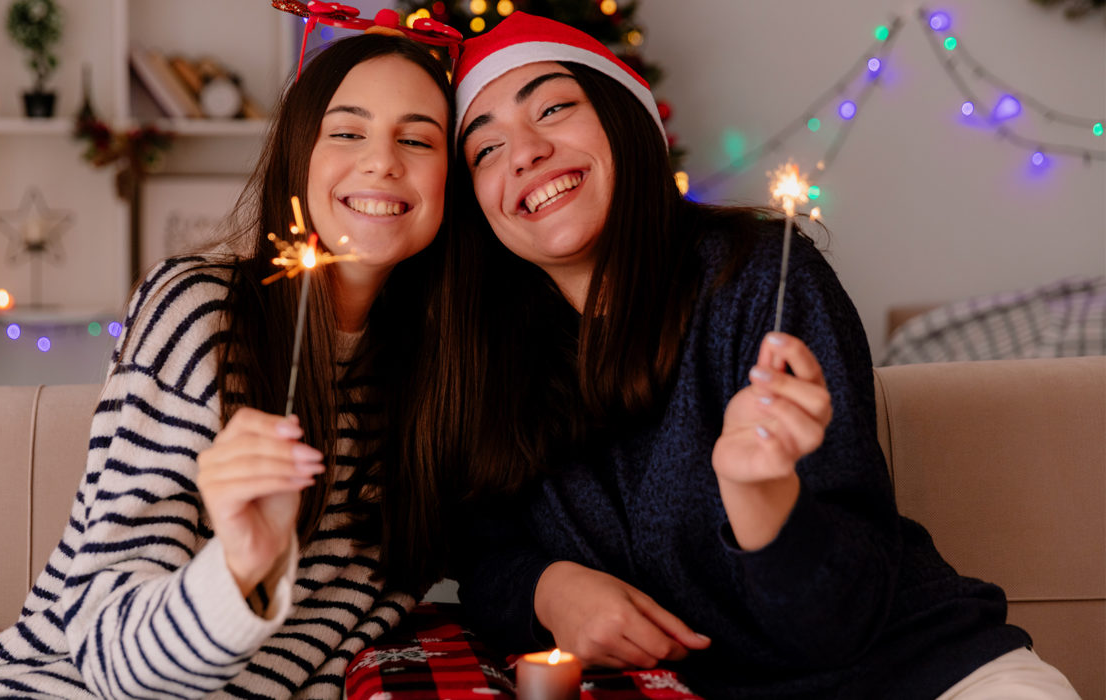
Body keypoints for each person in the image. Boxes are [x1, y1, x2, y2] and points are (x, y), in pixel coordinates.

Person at [443, 12, 1081, 700]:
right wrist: (546, 588)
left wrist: (764, 503)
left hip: (920, 675)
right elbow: (481, 558)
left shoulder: (757, 278)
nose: (525, 151)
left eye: (555, 107)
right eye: (484, 150)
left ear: (626, 119)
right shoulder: (488, 354)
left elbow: (838, 622)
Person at [0, 33, 456, 699]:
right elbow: (111, 655)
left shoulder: (443, 382)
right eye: (347, 132)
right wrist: (238, 569)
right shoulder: (201, 312)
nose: (383, 162)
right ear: (299, 155)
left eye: (418, 139)